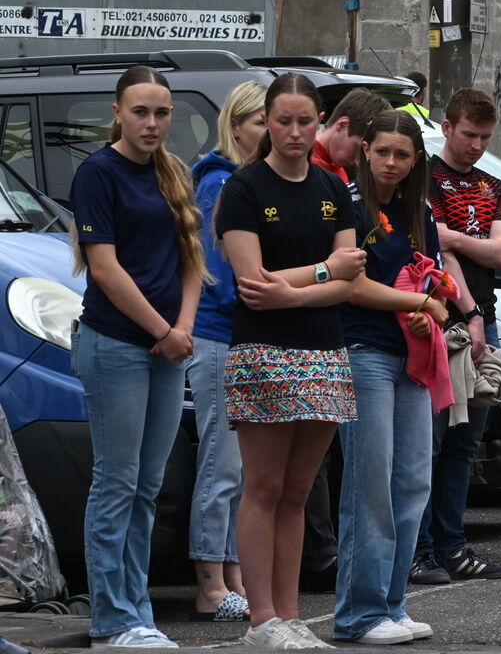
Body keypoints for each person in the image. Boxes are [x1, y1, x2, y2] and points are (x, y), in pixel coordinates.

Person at [216, 73, 366, 649]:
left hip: (324, 350)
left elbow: (351, 281)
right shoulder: (244, 188)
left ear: (321, 122)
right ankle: (261, 621)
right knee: (264, 486)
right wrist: (324, 273)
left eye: (307, 121)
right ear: (267, 123)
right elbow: (252, 283)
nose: (296, 132)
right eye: (284, 121)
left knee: (300, 493)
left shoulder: (334, 187)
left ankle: (289, 613)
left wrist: (299, 290)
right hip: (264, 352)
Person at [69, 65, 206, 649]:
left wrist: (183, 328)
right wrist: (162, 330)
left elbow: (191, 258)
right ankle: (112, 621)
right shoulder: (97, 173)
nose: (152, 123)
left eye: (162, 112)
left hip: (167, 345)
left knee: (148, 485)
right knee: (117, 482)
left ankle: (137, 613)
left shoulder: (172, 172)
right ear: (118, 113)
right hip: (115, 344)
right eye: (141, 111)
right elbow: (104, 267)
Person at [334, 110, 447, 645]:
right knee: (371, 486)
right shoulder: (347, 208)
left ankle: (392, 604)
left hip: (412, 358)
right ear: (365, 151)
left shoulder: (419, 210)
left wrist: (429, 308)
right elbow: (351, 287)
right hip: (363, 353)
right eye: (383, 152)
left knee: (412, 483)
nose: (392, 163)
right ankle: (359, 613)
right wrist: (418, 300)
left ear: (416, 159)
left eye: (403, 155)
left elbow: (434, 283)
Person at [411, 89, 501, 581]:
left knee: (466, 443)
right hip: (441, 318)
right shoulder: (425, 177)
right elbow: (438, 255)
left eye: (485, 137)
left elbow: (499, 255)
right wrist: (469, 311)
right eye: (469, 134)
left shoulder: (494, 185)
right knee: (429, 443)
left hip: (484, 319)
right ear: (448, 127)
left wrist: (452, 237)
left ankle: (453, 546)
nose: (476, 145)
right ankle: (419, 549)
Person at [302, 86, 391, 592]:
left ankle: (324, 547)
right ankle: (319, 555)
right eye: (363, 150)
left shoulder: (336, 174)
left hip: (335, 323)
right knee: (310, 456)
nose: (365, 163)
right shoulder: (320, 176)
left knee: (328, 452)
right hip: (315, 321)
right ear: (340, 129)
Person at [187, 80, 266, 623]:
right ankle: (211, 584)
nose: (271, 131)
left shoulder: (249, 180)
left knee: (241, 466)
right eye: (260, 121)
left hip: (245, 336)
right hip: (219, 335)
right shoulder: (219, 182)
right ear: (235, 125)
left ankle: (233, 576)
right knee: (220, 463)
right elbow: (221, 276)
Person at [311, 87, 392, 183]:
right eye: (357, 149)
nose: (357, 162)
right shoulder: (300, 165)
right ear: (342, 125)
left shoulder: (335, 168)